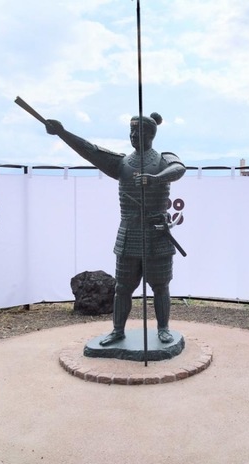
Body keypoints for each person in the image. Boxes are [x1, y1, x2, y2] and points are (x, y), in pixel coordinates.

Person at [45, 112, 186, 346]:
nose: (134, 136)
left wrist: (155, 179)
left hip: (156, 233)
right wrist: (63, 133)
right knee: (122, 287)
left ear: (151, 134)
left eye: (139, 131)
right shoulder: (122, 163)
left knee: (160, 286)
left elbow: (179, 168)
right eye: (131, 131)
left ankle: (163, 328)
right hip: (129, 233)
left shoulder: (164, 158)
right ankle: (118, 330)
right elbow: (90, 150)